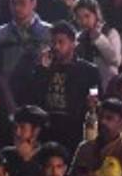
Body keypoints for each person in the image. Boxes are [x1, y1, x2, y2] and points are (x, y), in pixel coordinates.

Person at [19, 21, 101, 152]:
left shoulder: (88, 70)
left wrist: (92, 100)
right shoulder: (43, 69)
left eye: (61, 42)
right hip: (47, 128)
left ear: (73, 43)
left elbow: (94, 95)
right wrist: (42, 70)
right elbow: (32, 97)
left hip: (74, 129)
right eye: (53, 42)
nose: (56, 46)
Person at [73, 0, 122, 90]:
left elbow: (116, 61)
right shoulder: (78, 38)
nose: (83, 21)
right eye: (79, 18)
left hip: (108, 85)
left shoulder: (110, 33)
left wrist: (99, 39)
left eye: (87, 16)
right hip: (86, 85)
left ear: (96, 14)